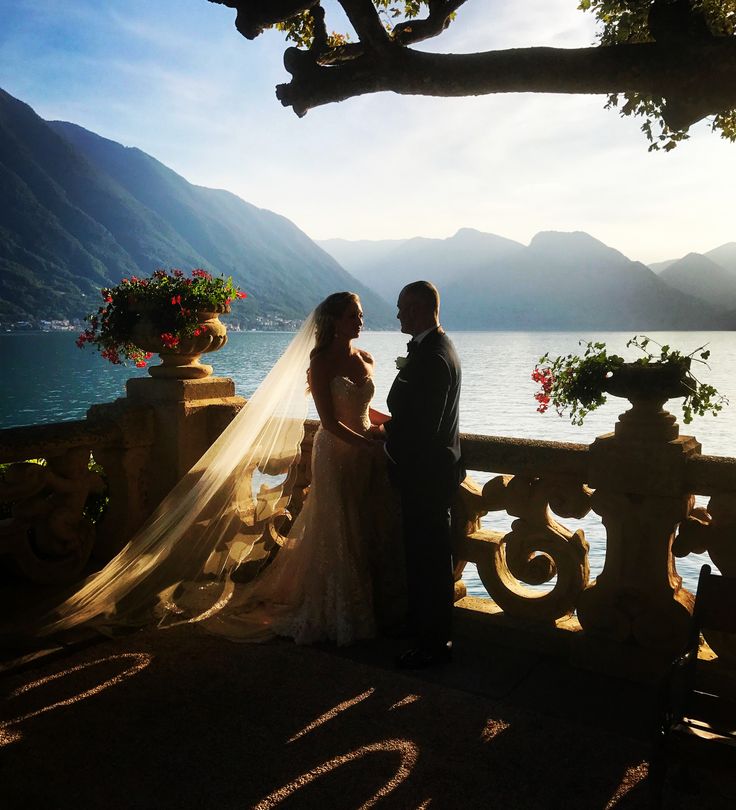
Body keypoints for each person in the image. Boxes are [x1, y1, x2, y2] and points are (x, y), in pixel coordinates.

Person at [20, 292, 403, 648]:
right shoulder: (321, 363)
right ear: (335, 321)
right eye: (354, 315)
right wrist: (366, 442)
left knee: (364, 524)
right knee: (337, 525)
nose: (361, 321)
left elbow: (363, 410)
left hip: (364, 452)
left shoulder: (365, 358)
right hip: (337, 451)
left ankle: (369, 603)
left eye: (361, 316)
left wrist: (391, 426)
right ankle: (335, 608)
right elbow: (329, 422)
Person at [382, 281, 464, 669]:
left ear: (419, 309)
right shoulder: (435, 349)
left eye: (402, 308)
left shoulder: (432, 356)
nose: (398, 315)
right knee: (422, 557)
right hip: (430, 474)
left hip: (426, 476)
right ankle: (422, 628)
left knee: (430, 561)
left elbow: (424, 428)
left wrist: (384, 442)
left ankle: (434, 644)